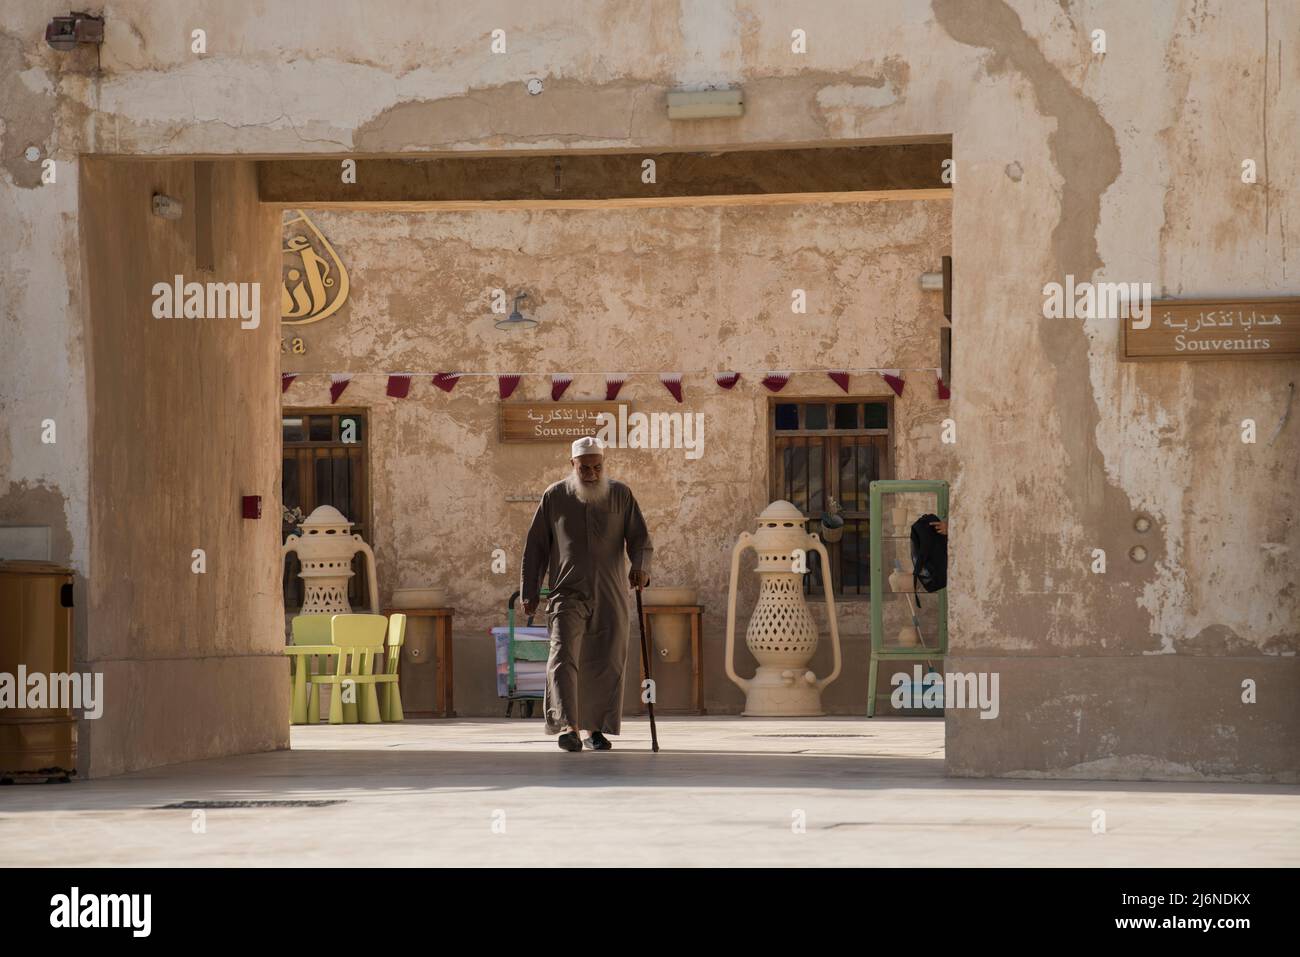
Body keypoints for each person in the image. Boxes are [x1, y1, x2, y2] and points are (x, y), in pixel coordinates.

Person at [521, 436, 653, 752]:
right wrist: (530, 590)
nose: (592, 473)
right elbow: (536, 547)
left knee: (606, 661)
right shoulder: (555, 496)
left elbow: (640, 539)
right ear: (573, 466)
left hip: (611, 594)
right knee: (563, 657)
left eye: (597, 467)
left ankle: (596, 729)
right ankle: (569, 727)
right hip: (567, 593)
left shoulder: (620, 495)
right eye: (585, 468)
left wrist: (641, 566)